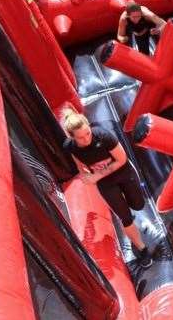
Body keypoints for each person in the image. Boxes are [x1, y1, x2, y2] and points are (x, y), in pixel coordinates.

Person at [61, 107, 152, 268]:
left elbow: (121, 159)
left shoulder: (104, 136)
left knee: (138, 204)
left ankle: (131, 204)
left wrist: (96, 175)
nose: (86, 139)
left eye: (87, 133)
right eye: (80, 138)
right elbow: (78, 161)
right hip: (106, 183)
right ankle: (142, 248)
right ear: (72, 138)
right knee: (124, 216)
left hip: (123, 172)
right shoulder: (70, 146)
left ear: (90, 127)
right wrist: (84, 174)